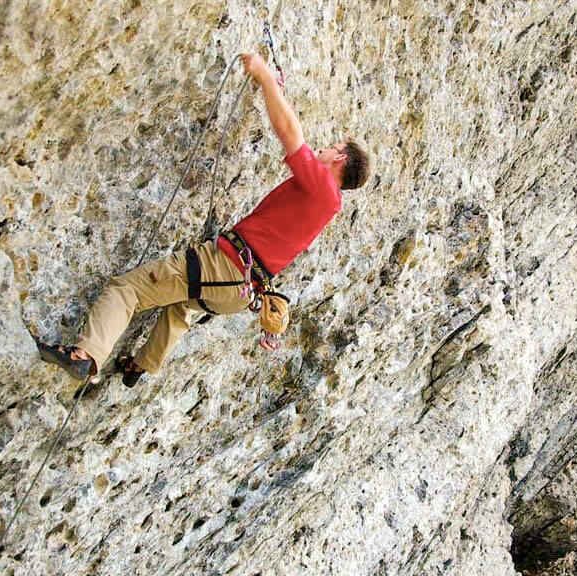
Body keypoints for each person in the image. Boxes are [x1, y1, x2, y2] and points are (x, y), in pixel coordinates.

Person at [37, 53, 371, 387]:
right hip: (237, 291)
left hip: (222, 267)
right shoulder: (327, 201)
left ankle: (86, 356)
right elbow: (298, 139)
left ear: (340, 157)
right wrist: (275, 93)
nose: (322, 150)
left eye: (331, 147)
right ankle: (141, 365)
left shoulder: (324, 187)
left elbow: (290, 134)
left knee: (126, 290)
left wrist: (265, 77)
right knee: (181, 307)